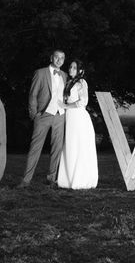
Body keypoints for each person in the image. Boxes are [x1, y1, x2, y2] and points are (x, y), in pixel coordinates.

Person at [18, 49, 67, 188]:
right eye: (57, 57)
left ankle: (51, 179)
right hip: (43, 115)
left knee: (56, 148)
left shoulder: (64, 75)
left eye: (62, 58)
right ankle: (26, 180)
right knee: (35, 148)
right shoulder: (40, 73)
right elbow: (32, 95)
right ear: (51, 58)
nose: (59, 60)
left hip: (60, 116)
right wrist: (34, 114)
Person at [57, 59, 98, 189]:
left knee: (77, 146)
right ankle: (67, 179)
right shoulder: (70, 82)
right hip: (69, 117)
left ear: (81, 71)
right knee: (69, 145)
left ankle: (80, 179)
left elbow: (83, 101)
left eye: (74, 68)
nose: (71, 69)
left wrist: (65, 105)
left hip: (78, 117)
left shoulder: (81, 82)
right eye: (70, 67)